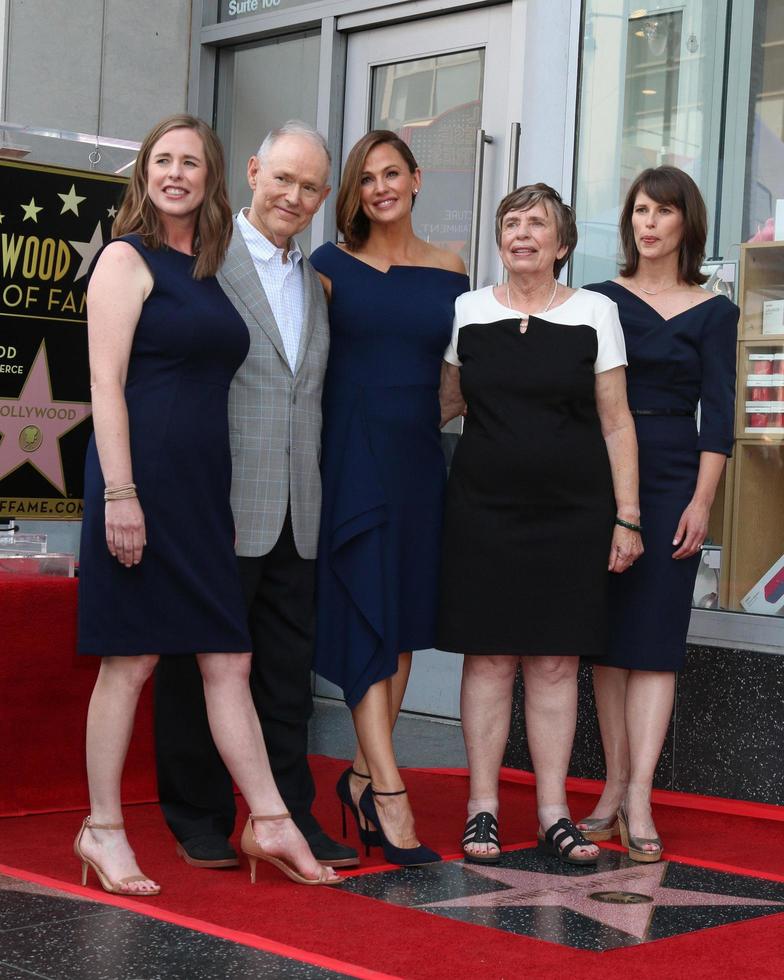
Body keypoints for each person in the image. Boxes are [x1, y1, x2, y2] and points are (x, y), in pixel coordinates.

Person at [75, 114, 341, 894]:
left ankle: (268, 819)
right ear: (145, 172)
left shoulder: (211, 264)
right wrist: (121, 494)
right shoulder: (125, 259)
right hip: (141, 481)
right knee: (129, 663)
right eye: (163, 160)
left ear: (213, 175)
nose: (177, 174)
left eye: (192, 162)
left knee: (230, 657)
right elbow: (104, 387)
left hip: (202, 491)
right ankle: (102, 828)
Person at [153, 121, 358, 871]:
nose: (294, 197)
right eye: (283, 180)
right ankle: (197, 814)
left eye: (309, 187)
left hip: (297, 509)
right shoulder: (201, 260)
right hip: (216, 499)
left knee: (283, 678)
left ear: (323, 197)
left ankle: (289, 815)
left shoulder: (316, 280)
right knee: (194, 669)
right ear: (251, 171)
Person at [437, 183, 643, 867]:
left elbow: (616, 421)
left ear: (561, 244)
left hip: (573, 515)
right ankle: (483, 810)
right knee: (490, 658)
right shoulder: (467, 310)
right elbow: (443, 404)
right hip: (483, 511)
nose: (521, 233)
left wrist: (628, 516)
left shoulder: (595, 312)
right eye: (511, 222)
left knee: (555, 663)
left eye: (537, 224)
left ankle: (555, 813)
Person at [309, 130, 469, 866]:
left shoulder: (451, 268)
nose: (380, 187)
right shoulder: (328, 267)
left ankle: (362, 777)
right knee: (368, 608)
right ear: (355, 191)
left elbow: (457, 373)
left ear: (416, 180)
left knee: (400, 620)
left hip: (416, 457)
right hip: (350, 452)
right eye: (366, 177)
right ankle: (390, 793)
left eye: (392, 173)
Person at [577, 166, 737, 861]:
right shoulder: (598, 301)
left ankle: (640, 794)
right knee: (608, 641)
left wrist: (703, 502)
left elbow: (721, 417)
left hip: (676, 474)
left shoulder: (715, 310)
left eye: (662, 211)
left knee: (655, 640)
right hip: (604, 475)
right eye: (639, 209)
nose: (647, 222)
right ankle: (611, 788)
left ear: (684, 224)